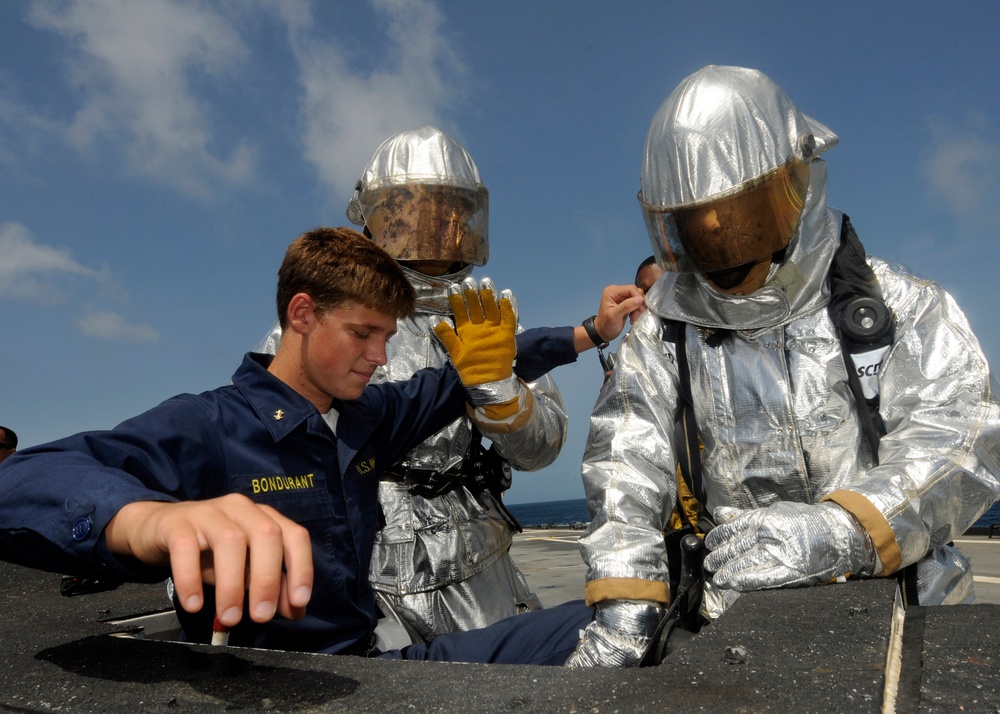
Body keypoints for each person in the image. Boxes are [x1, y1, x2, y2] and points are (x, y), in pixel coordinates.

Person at [567, 65, 1000, 668]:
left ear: (798, 183)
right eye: (697, 227)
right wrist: (626, 606)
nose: (722, 243)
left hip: (903, 610)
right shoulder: (663, 335)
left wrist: (841, 531)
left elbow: (961, 435)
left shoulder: (897, 306)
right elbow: (625, 472)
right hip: (739, 630)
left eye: (742, 216)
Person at [0, 226, 594, 663]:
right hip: (268, 679)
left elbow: (454, 378)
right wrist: (147, 522)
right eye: (363, 333)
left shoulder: (367, 418)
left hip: (371, 665)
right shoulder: (208, 425)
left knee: (604, 624)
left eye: (386, 337)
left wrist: (585, 334)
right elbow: (22, 481)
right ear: (302, 314)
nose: (380, 357)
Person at [255, 126, 642, 642]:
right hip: (362, 558)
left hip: (477, 555)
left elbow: (543, 446)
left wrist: (497, 391)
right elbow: (270, 447)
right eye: (410, 209)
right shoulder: (320, 321)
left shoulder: (487, 319)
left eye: (448, 209)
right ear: (376, 216)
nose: (433, 224)